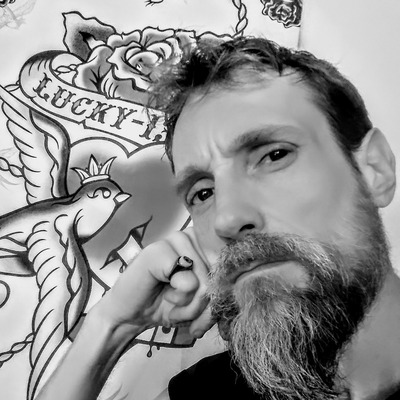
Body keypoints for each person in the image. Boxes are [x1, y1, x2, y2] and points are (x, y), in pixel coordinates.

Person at [36, 37, 400, 400]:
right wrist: (113, 325)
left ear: (375, 170)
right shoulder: (214, 389)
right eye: (203, 193)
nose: (226, 219)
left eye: (274, 156)